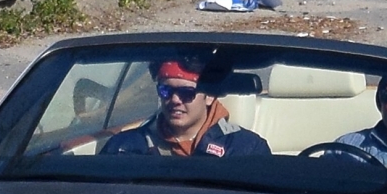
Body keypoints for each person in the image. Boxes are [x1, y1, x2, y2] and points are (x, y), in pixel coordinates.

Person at [101, 55, 270, 159]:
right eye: (165, 90)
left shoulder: (247, 149)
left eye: (186, 93)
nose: (174, 100)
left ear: (210, 96)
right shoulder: (122, 148)